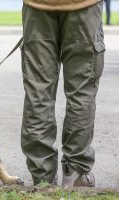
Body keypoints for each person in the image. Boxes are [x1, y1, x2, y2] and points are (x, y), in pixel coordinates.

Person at [20, 0, 105, 187]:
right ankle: (75, 173)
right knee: (81, 92)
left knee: (38, 93)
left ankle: (42, 177)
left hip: (37, 8)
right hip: (83, 7)